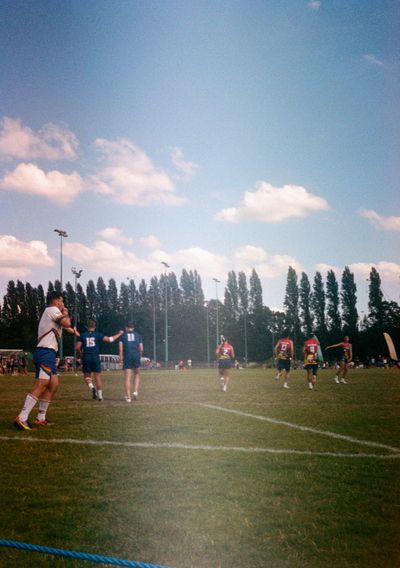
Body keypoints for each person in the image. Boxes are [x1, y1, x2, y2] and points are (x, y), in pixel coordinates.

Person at [14, 291, 79, 430]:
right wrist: (66, 312)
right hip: (45, 352)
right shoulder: (53, 310)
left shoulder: (51, 312)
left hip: (48, 353)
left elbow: (66, 327)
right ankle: (22, 417)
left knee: (53, 384)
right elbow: (66, 322)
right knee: (42, 384)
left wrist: (73, 331)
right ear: (56, 301)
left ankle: (40, 418)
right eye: (61, 301)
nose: (63, 304)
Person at [76, 320, 123, 401]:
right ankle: (100, 396)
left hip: (86, 356)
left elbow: (77, 348)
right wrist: (119, 334)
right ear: (95, 327)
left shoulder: (83, 335)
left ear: (87, 327)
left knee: (87, 376)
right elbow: (110, 339)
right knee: (97, 376)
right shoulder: (97, 335)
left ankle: (92, 387)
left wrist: (81, 355)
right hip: (95, 357)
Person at [118, 323, 144, 403]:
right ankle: (135, 391)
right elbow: (141, 348)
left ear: (126, 328)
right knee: (136, 374)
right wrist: (139, 356)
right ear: (133, 328)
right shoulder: (138, 335)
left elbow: (120, 349)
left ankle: (128, 397)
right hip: (136, 355)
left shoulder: (122, 335)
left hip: (127, 355)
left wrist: (121, 359)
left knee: (127, 378)